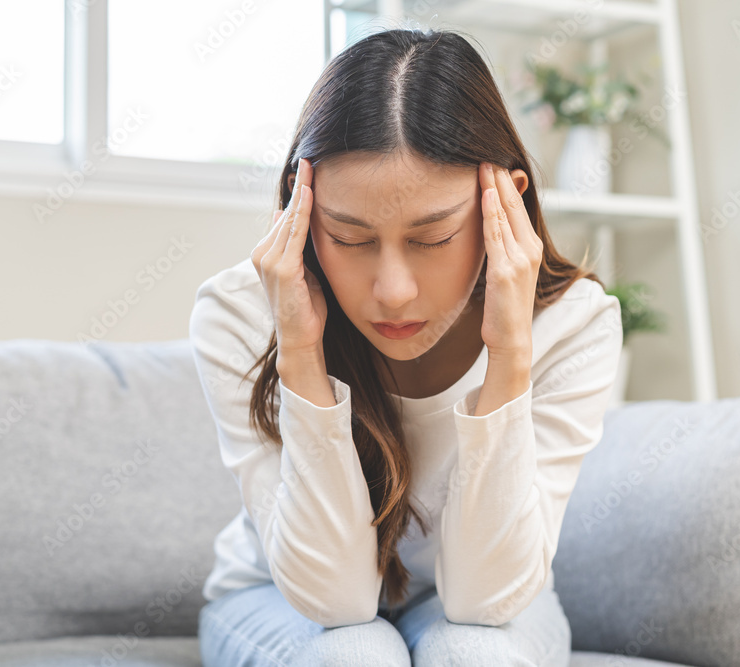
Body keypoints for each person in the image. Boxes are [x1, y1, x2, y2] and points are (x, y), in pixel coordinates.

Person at [189, 26, 624, 667]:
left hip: (485, 603)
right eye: (351, 238)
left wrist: (508, 356)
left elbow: (484, 602)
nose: (392, 292)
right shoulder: (240, 313)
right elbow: (336, 605)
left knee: (477, 655)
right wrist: (302, 356)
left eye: (432, 238)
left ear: (503, 201)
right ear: (301, 217)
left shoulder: (573, 323)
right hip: (277, 597)